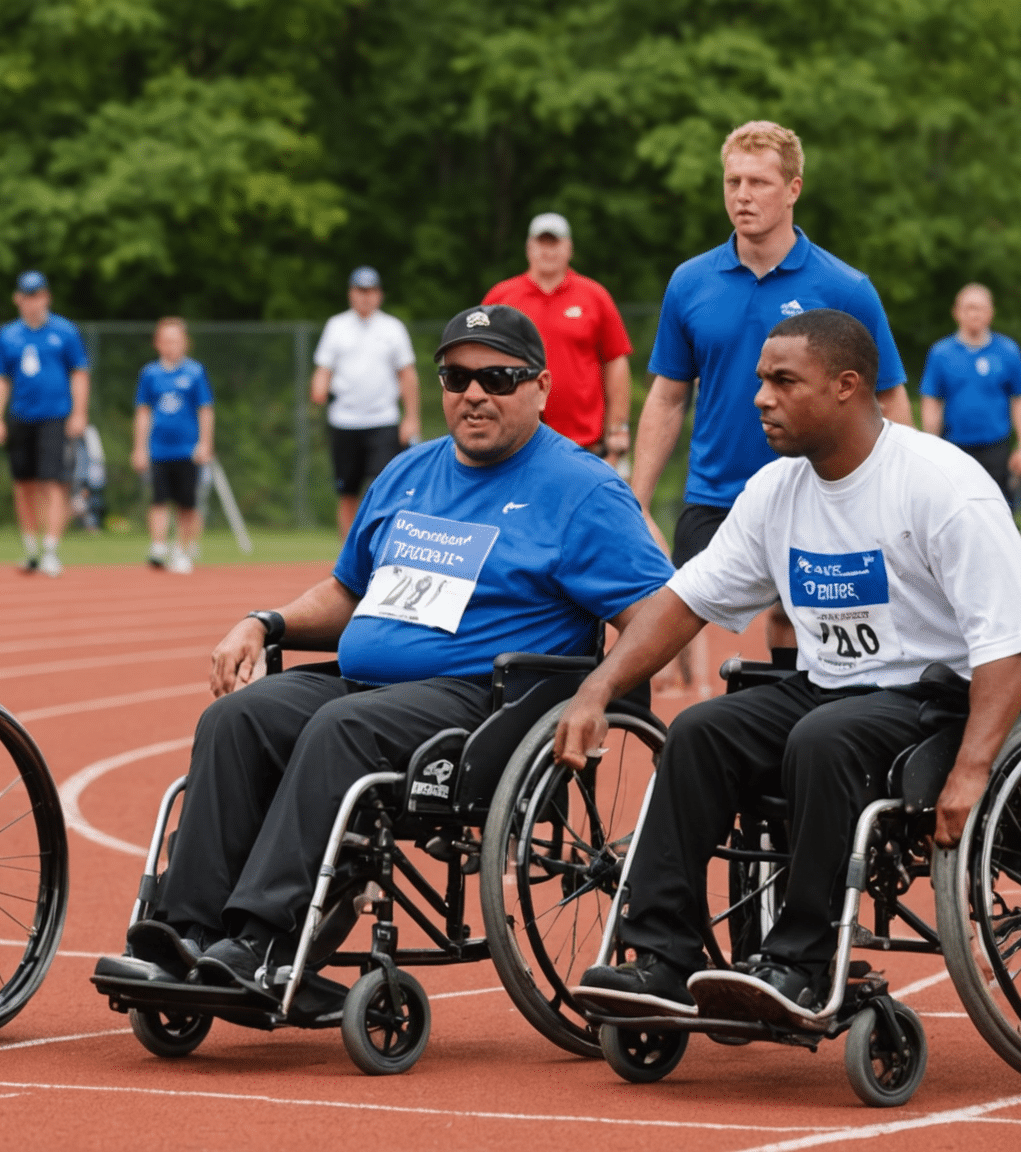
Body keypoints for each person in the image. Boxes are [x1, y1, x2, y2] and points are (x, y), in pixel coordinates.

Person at [107, 305, 672, 1000]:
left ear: (541, 386)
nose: (474, 393)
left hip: (481, 705)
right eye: (457, 376)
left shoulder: (582, 490)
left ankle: (263, 942)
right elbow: (348, 593)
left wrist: (597, 692)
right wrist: (264, 622)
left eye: (497, 377)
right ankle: (185, 934)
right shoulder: (409, 472)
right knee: (237, 718)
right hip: (367, 685)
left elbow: (661, 614)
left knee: (338, 731)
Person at [563, 309, 1021, 1019]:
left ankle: (800, 961)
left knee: (824, 738)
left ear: (848, 386)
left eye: (783, 381)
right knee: (700, 731)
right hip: (827, 691)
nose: (760, 397)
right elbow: (683, 600)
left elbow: (1009, 640)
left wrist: (973, 767)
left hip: (931, 700)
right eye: (761, 380)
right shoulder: (776, 489)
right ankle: (662, 957)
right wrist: (600, 686)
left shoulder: (941, 484)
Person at [631, 120, 912, 687]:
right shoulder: (690, 283)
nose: (742, 195)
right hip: (715, 492)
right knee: (671, 615)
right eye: (732, 181)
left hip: (815, 490)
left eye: (758, 182)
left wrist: (900, 494)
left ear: (793, 189)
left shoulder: (844, 287)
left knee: (796, 617)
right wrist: (634, 500)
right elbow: (667, 396)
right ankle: (683, 750)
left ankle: (790, 722)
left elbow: (889, 397)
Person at [482, 213, 635, 464]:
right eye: (542, 243)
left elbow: (616, 362)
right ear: (529, 248)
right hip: (514, 445)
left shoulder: (594, 296)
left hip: (584, 446)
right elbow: (480, 363)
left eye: (555, 243)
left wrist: (618, 430)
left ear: (569, 248)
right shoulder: (501, 298)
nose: (548, 251)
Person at [0, 270, 90, 576]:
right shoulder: (8, 335)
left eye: (38, 295)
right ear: (18, 299)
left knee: (52, 482)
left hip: (54, 416)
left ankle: (50, 548)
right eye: (27, 296)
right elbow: (0, 379)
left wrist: (79, 413)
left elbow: (80, 373)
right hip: (21, 415)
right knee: (23, 485)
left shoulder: (65, 331)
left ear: (47, 297)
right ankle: (30, 548)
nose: (33, 302)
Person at [312, 267, 420, 536]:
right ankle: (348, 559)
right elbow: (323, 369)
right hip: (344, 421)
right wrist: (319, 386)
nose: (365, 297)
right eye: (360, 291)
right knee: (347, 490)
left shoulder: (392, 328)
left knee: (384, 487)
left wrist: (411, 418)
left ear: (379, 295)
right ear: (351, 294)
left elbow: (407, 375)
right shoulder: (336, 326)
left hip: (382, 420)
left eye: (370, 291)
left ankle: (379, 549)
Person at [920, 283, 1021, 506]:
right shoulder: (941, 353)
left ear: (991, 312)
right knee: (955, 510)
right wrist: (930, 447)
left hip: (996, 448)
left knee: (999, 510)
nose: (974, 313)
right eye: (968, 307)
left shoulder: (1008, 351)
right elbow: (931, 402)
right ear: (956, 312)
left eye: (980, 308)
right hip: (954, 448)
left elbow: (1020, 401)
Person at [131, 317, 215, 574]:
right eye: (166, 341)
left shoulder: (195, 372)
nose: (171, 346)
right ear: (157, 343)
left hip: (187, 450)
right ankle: (158, 547)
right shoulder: (150, 374)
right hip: (159, 449)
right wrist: (139, 447)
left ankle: (181, 550)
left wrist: (205, 443)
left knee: (186, 503)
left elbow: (206, 410)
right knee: (158, 500)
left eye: (176, 341)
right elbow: (143, 411)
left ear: (185, 343)